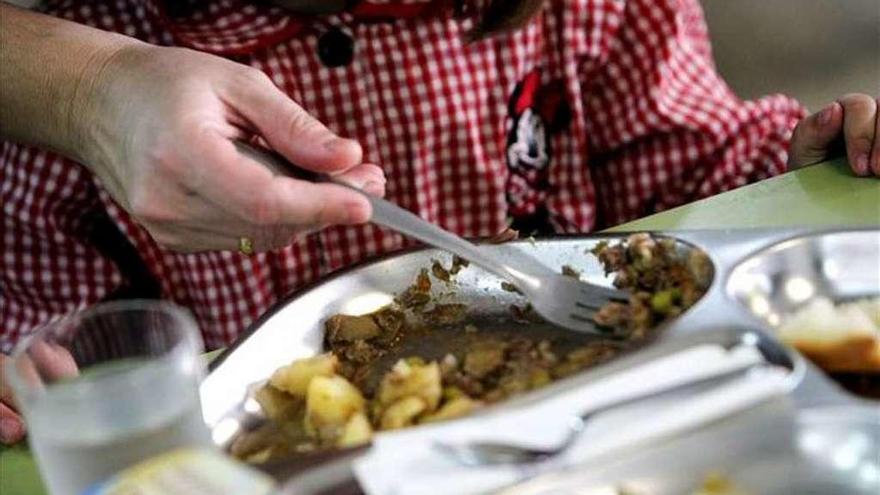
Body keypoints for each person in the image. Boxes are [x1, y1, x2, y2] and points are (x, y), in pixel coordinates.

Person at [0, 0, 876, 444]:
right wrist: (39, 379)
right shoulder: (79, 71)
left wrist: (806, 167)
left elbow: (695, 175)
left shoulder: (587, 10)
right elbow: (66, 344)